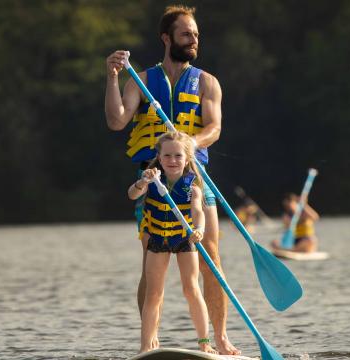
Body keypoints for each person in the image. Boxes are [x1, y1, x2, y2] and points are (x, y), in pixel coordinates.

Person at [105, 5, 240, 355]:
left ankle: (220, 338)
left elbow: (215, 128)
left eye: (195, 34)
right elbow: (118, 120)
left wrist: (189, 143)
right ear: (167, 38)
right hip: (153, 178)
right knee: (153, 257)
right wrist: (113, 76)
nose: (193, 39)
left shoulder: (208, 82)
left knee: (210, 253)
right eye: (185, 33)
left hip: (194, 176)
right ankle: (148, 342)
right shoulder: (144, 80)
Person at [128, 132, 217, 354]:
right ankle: (146, 345)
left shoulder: (192, 186)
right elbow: (132, 194)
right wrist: (143, 181)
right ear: (159, 157)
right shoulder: (151, 181)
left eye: (178, 155)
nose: (172, 160)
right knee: (154, 293)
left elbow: (198, 211)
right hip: (158, 240)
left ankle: (204, 342)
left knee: (191, 289)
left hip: (184, 239)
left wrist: (199, 230)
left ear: (187, 158)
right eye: (167, 155)